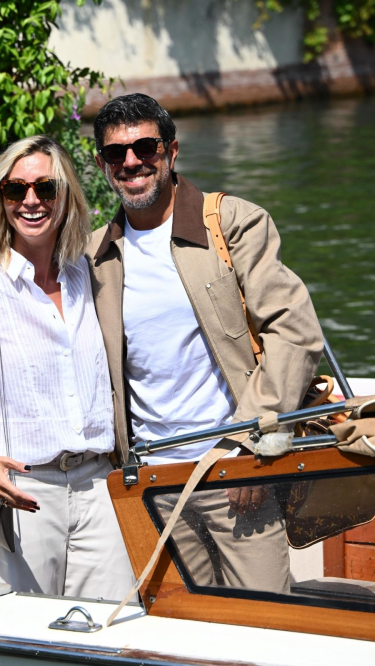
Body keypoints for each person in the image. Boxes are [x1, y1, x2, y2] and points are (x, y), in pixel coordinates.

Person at [86, 94, 324, 593]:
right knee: (178, 634)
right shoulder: (95, 254)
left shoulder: (231, 223)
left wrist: (245, 442)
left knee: (262, 628)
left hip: (235, 471)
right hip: (151, 484)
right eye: (115, 154)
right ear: (103, 164)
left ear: (171, 153)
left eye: (145, 147)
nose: (131, 162)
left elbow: (295, 331)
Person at [0, 135, 134, 599]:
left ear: (67, 196)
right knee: (20, 642)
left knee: (111, 634)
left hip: (98, 486)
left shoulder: (86, 276)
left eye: (46, 188)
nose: (31, 201)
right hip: (16, 492)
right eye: (15, 190)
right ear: (1, 200)